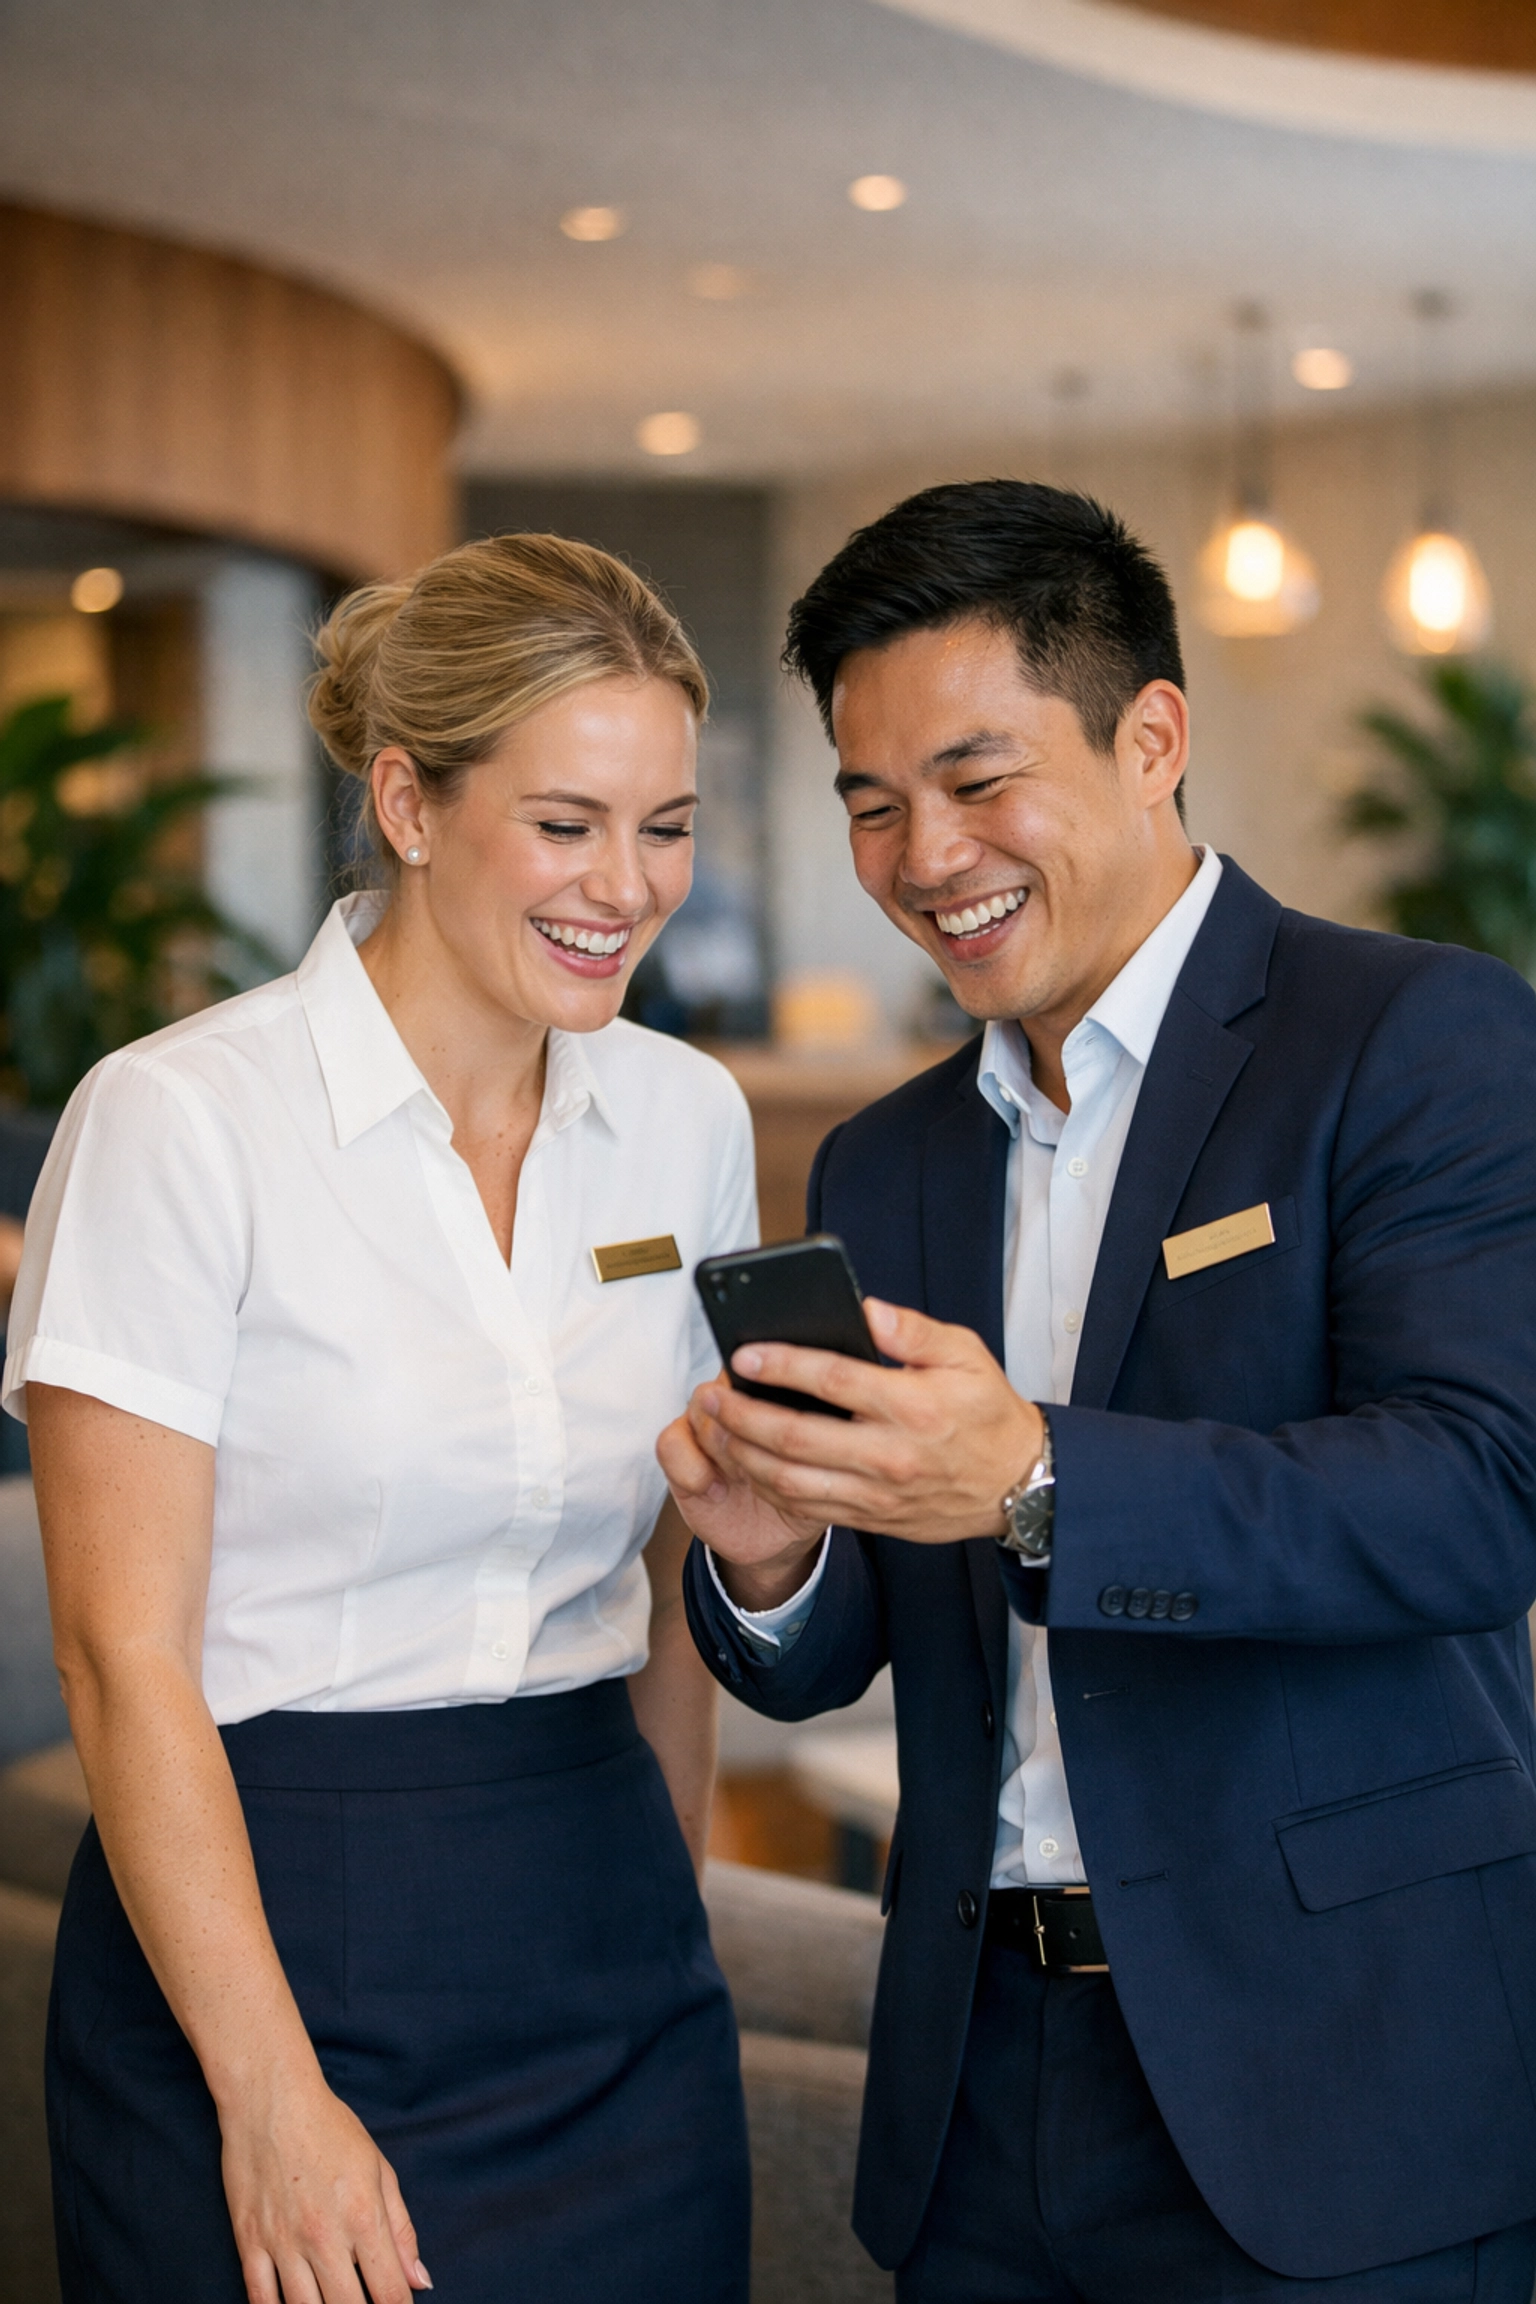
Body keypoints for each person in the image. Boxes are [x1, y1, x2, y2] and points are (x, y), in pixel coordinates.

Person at [662, 480, 1536, 2302]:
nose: (923, 856)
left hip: (1337, 2084)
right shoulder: (884, 1165)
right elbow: (863, 1642)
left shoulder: (1415, 1038)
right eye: (874, 804)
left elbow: (1481, 1495)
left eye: (981, 783)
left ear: (1154, 738)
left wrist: (1037, 1480)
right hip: (979, 2092)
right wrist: (771, 1563)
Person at [9, 532, 755, 2304]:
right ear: (410, 803)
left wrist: (679, 1914)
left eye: (665, 826)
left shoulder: (686, 1122)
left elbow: (674, 1587)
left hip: (608, 1942)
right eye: (567, 823)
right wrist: (268, 2097)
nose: (628, 886)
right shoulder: (182, 1120)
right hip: (264, 1928)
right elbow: (126, 1664)